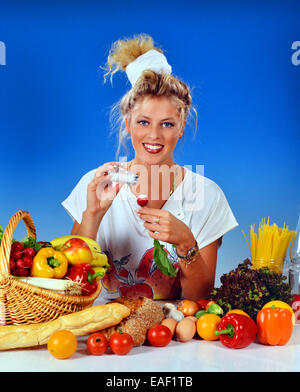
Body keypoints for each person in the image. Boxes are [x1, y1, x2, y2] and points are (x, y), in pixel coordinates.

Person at [62, 34, 238, 303]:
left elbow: (200, 299)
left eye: (167, 124)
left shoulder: (207, 195)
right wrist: (92, 216)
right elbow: (71, 286)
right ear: (128, 123)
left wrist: (186, 243)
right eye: (144, 122)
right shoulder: (97, 184)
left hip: (168, 339)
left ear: (181, 128)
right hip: (104, 332)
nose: (154, 135)